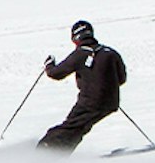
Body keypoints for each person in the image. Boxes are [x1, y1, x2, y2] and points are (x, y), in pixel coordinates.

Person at [37, 20, 127, 153]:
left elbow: (56, 74)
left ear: (75, 38)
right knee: (79, 128)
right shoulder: (111, 53)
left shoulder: (80, 54)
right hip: (111, 102)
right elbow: (122, 79)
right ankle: (61, 153)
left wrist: (49, 65)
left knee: (69, 127)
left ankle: (44, 152)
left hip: (90, 102)